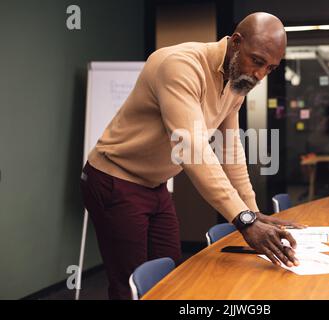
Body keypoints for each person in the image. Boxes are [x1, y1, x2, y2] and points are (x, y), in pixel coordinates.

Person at [80, 12, 304, 300]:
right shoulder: (179, 65)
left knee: (173, 278)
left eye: (270, 68)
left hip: (155, 185)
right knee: (131, 287)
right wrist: (244, 220)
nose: (260, 74)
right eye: (257, 61)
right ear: (236, 42)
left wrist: (252, 209)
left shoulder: (239, 79)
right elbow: (193, 148)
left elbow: (230, 147)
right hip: (115, 179)